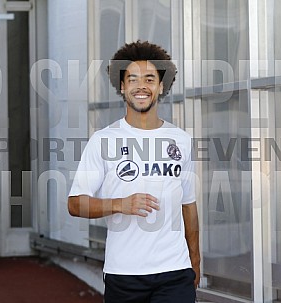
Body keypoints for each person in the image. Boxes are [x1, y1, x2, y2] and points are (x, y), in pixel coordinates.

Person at [68, 40, 200, 303]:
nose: (142, 86)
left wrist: (194, 261)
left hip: (175, 270)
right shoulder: (103, 141)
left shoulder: (181, 140)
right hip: (124, 273)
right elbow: (75, 204)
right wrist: (120, 204)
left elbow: (189, 206)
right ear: (122, 86)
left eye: (150, 79)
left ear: (161, 86)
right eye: (133, 79)